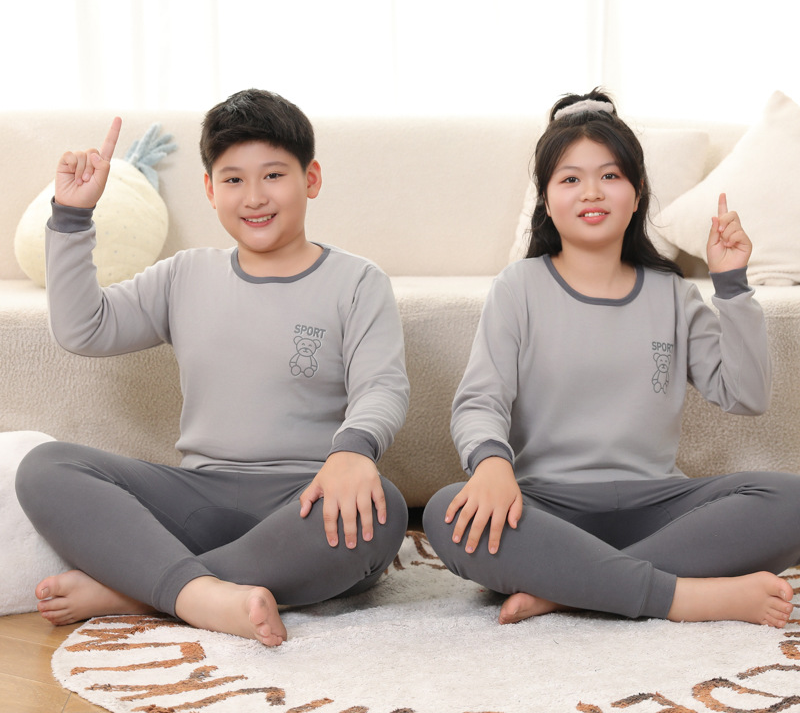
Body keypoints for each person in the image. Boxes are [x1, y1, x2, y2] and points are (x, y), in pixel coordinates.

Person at [15, 89, 410, 646]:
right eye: (233, 180)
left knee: (383, 510)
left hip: (304, 502)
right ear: (209, 189)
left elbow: (382, 386)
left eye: (273, 175)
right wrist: (73, 215)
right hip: (197, 499)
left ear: (311, 178)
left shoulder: (358, 281)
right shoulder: (185, 275)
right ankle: (198, 592)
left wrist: (354, 451)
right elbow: (84, 328)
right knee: (44, 467)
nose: (254, 197)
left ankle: (140, 590)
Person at [423, 89, 800, 629]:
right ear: (546, 198)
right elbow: (480, 401)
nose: (591, 192)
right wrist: (491, 466)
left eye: (610, 175)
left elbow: (747, 395)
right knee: (446, 511)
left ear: (638, 191)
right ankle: (680, 596)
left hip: (660, 506)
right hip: (547, 509)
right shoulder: (518, 287)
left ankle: (568, 588)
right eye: (569, 179)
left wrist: (732, 285)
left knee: (791, 499)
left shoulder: (674, 294)